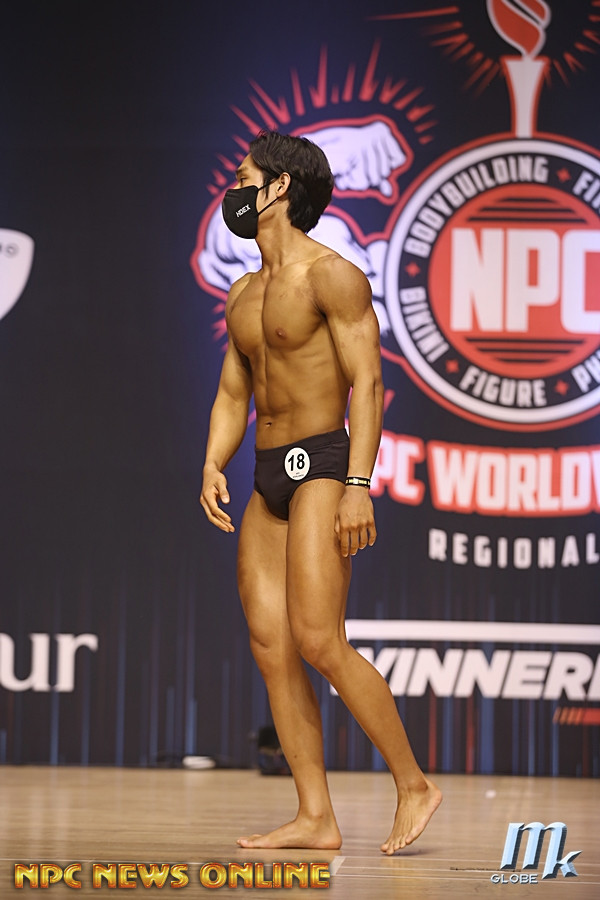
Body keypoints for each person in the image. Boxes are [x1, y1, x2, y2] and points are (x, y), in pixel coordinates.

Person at [200, 131, 441, 855]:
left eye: (245, 176)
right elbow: (233, 393)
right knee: (271, 646)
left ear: (279, 187)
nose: (234, 190)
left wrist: (358, 485)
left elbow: (368, 382)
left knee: (317, 638)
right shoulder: (243, 293)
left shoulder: (333, 277)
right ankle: (316, 817)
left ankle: (414, 784)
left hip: (324, 465)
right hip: (266, 472)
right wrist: (212, 463)